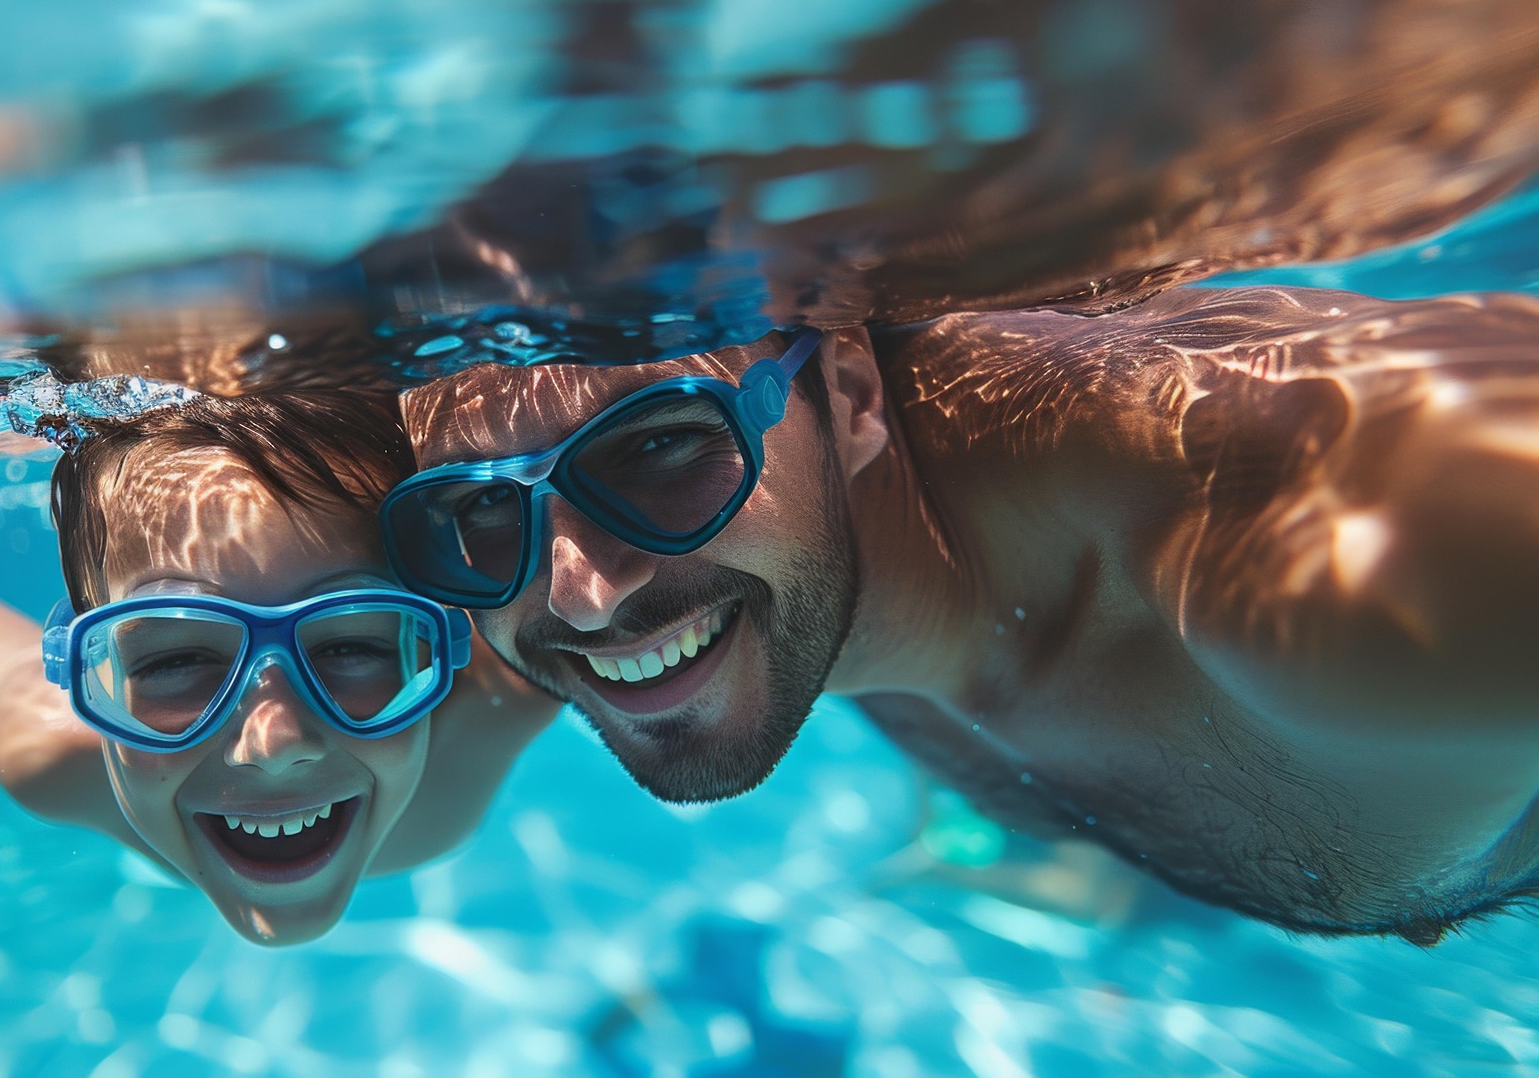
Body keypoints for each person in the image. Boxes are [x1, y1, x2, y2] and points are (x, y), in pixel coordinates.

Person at [389, 284, 1539, 943]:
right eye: (478, 510)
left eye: (659, 445)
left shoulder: (1335, 544)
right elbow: (384, 825)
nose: (583, 588)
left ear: (850, 392)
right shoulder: (560, 584)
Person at [0, 386, 557, 946]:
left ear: (441, 644)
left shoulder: (506, 687)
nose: (273, 743)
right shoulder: (53, 753)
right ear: (83, 672)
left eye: (349, 645)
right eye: (180, 661)